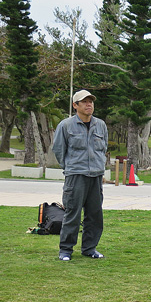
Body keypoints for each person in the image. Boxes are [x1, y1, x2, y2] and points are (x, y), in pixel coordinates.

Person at [52, 89, 108, 261]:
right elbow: (59, 150)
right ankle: (66, 250)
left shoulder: (101, 125)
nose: (88, 104)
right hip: (76, 175)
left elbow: (103, 148)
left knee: (95, 214)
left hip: (96, 176)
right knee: (72, 213)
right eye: (84, 101)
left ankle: (89, 248)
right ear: (75, 105)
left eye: (90, 101)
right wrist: (71, 167)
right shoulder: (66, 125)